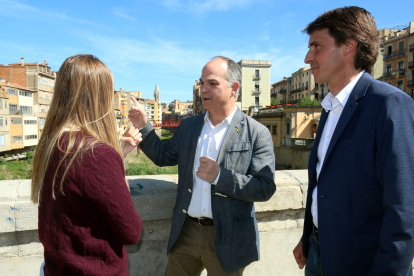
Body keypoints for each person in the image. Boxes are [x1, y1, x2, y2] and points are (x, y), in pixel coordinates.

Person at [292, 6, 414, 276]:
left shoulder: (389, 105)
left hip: (362, 264)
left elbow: (404, 208)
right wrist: (307, 236)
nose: (307, 57)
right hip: (318, 255)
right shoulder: (329, 107)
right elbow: (322, 183)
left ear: (348, 46)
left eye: (316, 46)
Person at [127, 56, 276, 275]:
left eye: (212, 83)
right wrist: (144, 126)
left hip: (229, 237)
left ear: (234, 88)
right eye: (202, 82)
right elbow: (163, 157)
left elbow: (264, 187)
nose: (203, 89)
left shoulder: (256, 132)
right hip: (186, 232)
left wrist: (220, 177)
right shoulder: (189, 126)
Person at [31, 54, 143, 276]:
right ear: (99, 97)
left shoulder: (52, 143)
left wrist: (116, 155)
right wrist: (113, 161)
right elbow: (131, 232)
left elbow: (80, 188)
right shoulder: (97, 154)